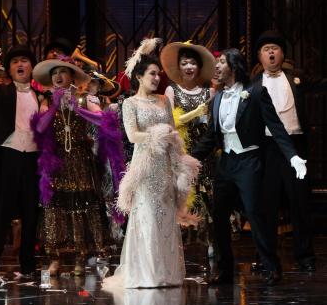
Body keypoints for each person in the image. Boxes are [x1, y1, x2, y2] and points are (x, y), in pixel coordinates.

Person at [190, 48, 307, 286]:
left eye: (222, 62)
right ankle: (225, 269)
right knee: (219, 215)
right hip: (226, 163)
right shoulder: (218, 98)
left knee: (254, 214)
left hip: (249, 161)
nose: (217, 66)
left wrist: (293, 156)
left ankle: (271, 266)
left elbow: (276, 127)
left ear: (234, 66)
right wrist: (188, 159)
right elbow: (211, 138)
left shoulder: (255, 92)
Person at [106, 40, 200, 289]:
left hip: (165, 165)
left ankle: (166, 272)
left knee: (165, 216)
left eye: (159, 74)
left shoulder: (163, 101)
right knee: (147, 216)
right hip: (145, 167)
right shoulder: (130, 104)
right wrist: (156, 135)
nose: (157, 78)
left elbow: (173, 131)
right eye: (152, 74)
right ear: (139, 76)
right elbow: (132, 135)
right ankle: (147, 274)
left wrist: (179, 161)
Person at [31, 55, 124, 277]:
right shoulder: (46, 101)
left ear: (72, 76)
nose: (58, 76)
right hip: (56, 162)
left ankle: (80, 257)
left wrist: (78, 109)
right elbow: (40, 128)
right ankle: (55, 258)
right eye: (54, 73)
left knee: (82, 206)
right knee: (55, 208)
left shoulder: (84, 99)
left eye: (62, 72)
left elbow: (104, 121)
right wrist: (55, 106)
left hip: (80, 161)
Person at [0, 41, 47, 279]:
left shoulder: (40, 96)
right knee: (1, 212)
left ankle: (28, 265)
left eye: (24, 61)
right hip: (8, 155)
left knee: (30, 213)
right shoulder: (1, 92)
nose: (20, 64)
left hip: (32, 159)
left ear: (32, 67)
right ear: (9, 69)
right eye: (15, 62)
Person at [252, 30, 318, 272]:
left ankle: (305, 257)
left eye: (275, 48)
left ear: (282, 54)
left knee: (300, 203)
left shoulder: (295, 78)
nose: (271, 52)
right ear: (260, 56)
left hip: (295, 144)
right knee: (267, 205)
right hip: (268, 147)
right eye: (266, 49)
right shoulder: (253, 85)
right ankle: (266, 259)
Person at [160, 41, 217, 248]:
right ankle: (178, 244)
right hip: (181, 152)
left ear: (199, 67)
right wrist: (194, 114)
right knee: (182, 193)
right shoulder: (171, 90)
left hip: (205, 153)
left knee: (207, 195)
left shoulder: (209, 92)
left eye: (193, 63)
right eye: (184, 63)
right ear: (179, 67)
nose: (189, 67)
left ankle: (210, 243)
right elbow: (168, 122)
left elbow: (214, 124)